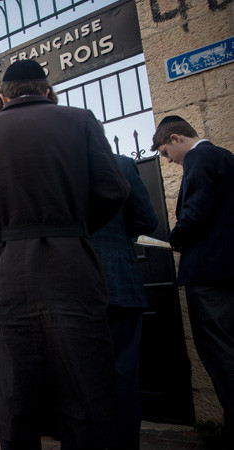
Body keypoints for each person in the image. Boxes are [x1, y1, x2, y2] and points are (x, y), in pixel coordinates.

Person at [0, 59, 129, 449]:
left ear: (2, 96)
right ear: (47, 90)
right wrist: (75, 230)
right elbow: (113, 190)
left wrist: (3, 239)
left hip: (12, 269)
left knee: (16, 383)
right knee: (85, 377)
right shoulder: (81, 119)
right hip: (74, 264)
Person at [151, 115, 234, 446]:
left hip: (209, 271)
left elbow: (196, 213)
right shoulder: (226, 157)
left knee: (219, 350)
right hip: (227, 269)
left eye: (166, 153)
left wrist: (176, 237)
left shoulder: (199, 157)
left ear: (175, 139)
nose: (170, 162)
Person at [91, 155, 158, 450]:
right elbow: (146, 220)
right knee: (122, 375)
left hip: (74, 287)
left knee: (80, 376)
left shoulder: (59, 165)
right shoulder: (120, 164)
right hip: (118, 279)